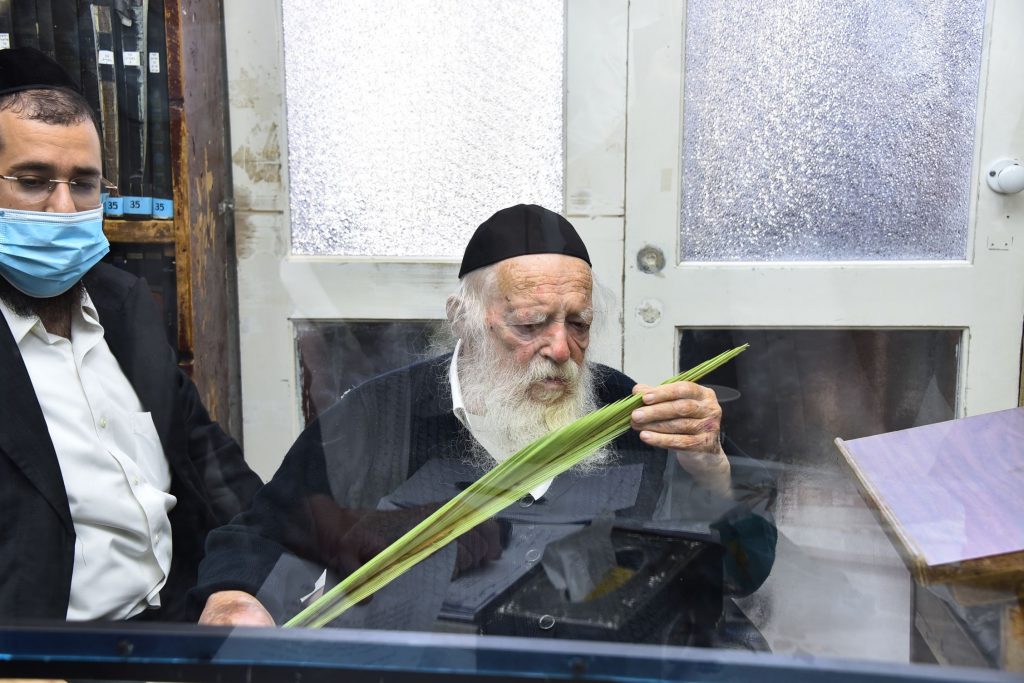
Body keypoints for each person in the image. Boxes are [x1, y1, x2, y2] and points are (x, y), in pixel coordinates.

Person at [195, 205, 776, 641]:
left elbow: (737, 571)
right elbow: (265, 532)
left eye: (578, 323)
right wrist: (233, 600)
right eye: (530, 324)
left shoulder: (627, 412)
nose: (561, 349)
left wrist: (711, 469)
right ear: (463, 321)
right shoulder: (379, 417)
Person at [0, 47, 262, 622]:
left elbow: (211, 464)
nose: (65, 208)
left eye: (85, 184)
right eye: (33, 181)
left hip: (176, 627)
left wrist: (241, 583)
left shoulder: (123, 307)